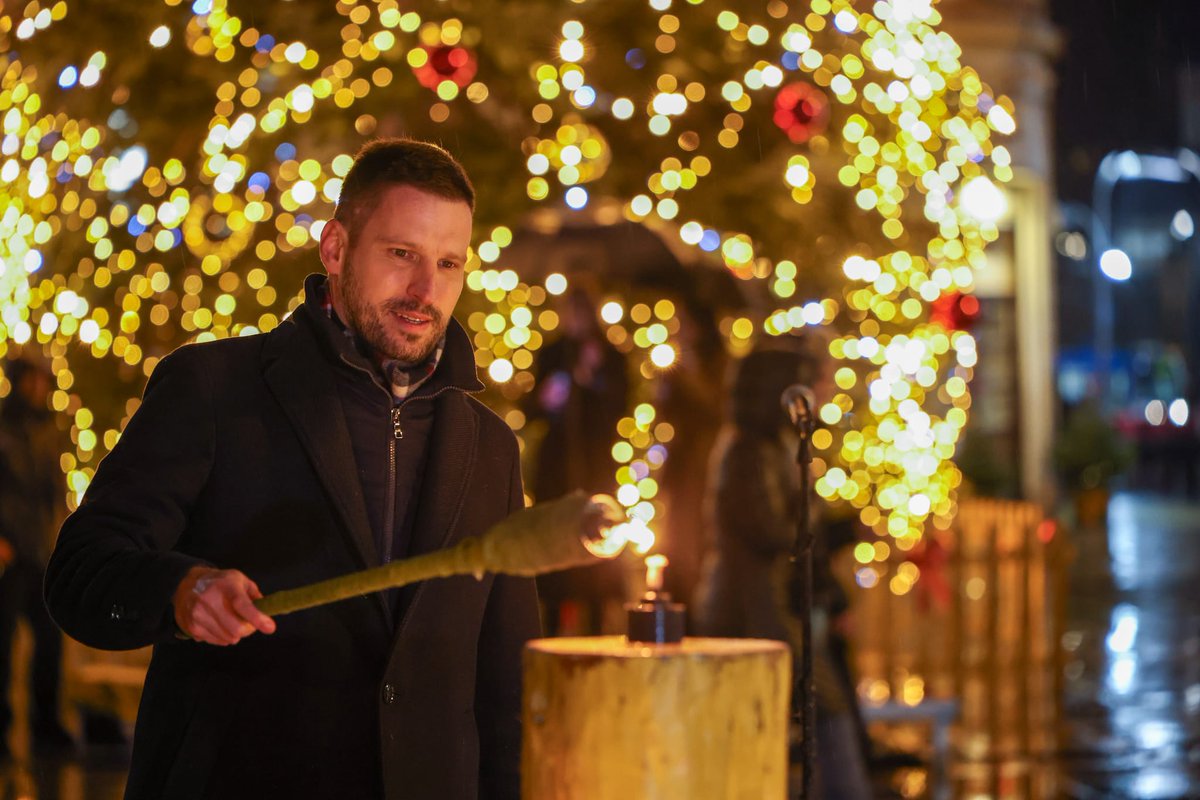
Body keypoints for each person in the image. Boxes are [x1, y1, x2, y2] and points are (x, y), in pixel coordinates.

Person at [44, 139, 540, 800]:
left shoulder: (490, 446)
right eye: (401, 254)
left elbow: (507, 685)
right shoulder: (213, 389)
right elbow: (80, 571)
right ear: (335, 248)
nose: (426, 290)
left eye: (448, 263)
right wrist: (182, 590)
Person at [693, 345, 874, 800]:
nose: (822, 392)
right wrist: (824, 525)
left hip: (775, 606)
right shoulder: (747, 451)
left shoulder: (776, 446)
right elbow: (769, 529)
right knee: (814, 701)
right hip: (754, 608)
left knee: (813, 704)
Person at [524, 278, 629, 635]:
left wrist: (593, 378)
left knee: (594, 536)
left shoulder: (609, 355)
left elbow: (619, 408)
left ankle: (597, 624)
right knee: (556, 538)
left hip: (594, 464)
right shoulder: (554, 353)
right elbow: (532, 410)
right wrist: (544, 400)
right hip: (557, 464)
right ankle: (552, 625)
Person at [0, 355, 75, 760]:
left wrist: (58, 538)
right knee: (3, 642)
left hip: (42, 551)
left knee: (50, 642)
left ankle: (47, 724)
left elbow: (54, 491)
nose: (37, 387)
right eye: (31, 379)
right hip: (8, 553)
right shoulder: (4, 427)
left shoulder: (50, 429)